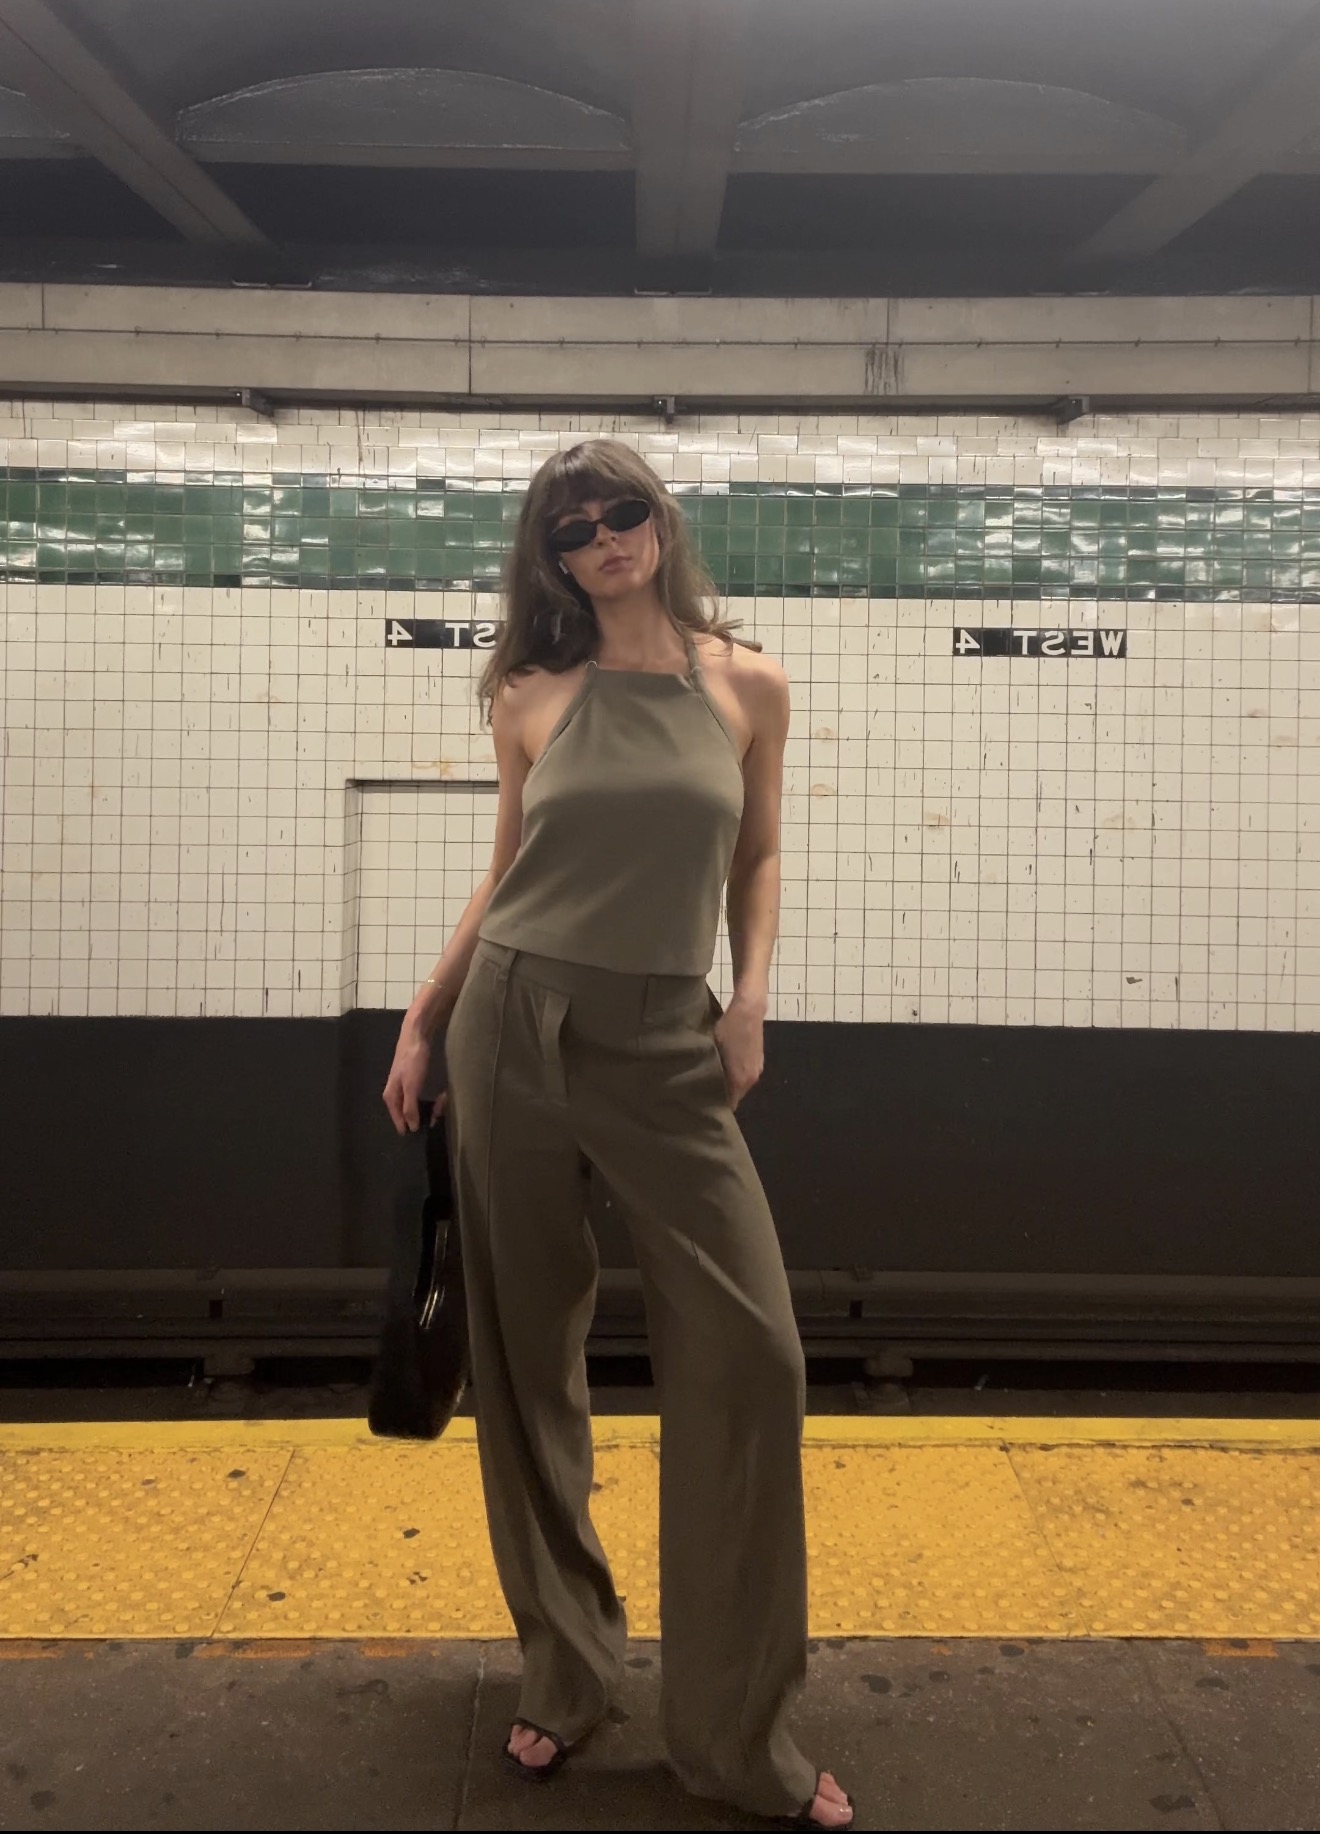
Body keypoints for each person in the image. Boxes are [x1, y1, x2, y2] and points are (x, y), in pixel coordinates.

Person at [382, 438, 854, 1828]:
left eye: (622, 510)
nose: (603, 538)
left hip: (665, 1038)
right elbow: (507, 870)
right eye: (573, 526)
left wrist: (750, 997)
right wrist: (424, 1014)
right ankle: (567, 1667)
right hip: (512, 1021)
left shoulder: (747, 683)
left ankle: (736, 1732)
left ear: (661, 520)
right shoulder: (530, 694)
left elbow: (758, 851)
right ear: (552, 557)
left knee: (754, 1353)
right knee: (526, 1350)